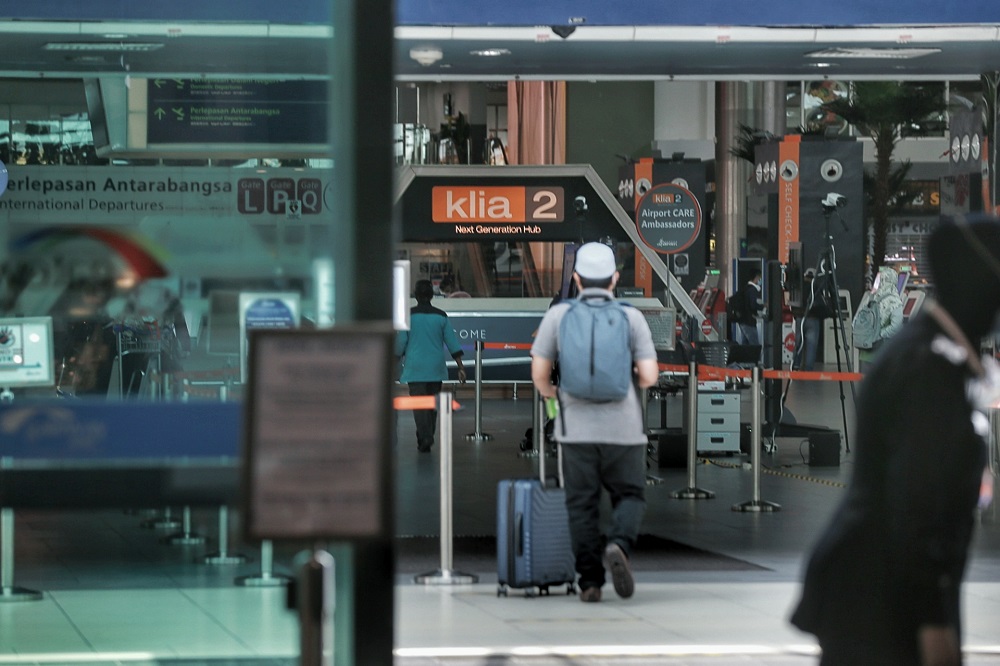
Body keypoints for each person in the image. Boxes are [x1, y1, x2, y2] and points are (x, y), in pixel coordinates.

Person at [790, 217, 1000, 665]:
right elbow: (917, 505)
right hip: (882, 601)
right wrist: (935, 623)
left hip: (878, 590)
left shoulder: (928, 354)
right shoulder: (928, 369)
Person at [530, 242, 659, 603]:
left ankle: (589, 582)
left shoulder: (559, 315)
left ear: (576, 279)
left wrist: (552, 394)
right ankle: (619, 543)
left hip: (576, 431)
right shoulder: (631, 317)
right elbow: (649, 376)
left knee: (581, 505)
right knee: (630, 495)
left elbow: (539, 373)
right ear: (615, 278)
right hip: (625, 429)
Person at [395, 279, 466, 452]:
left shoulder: (409, 316)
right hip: (435, 368)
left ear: (416, 296)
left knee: (419, 405)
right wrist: (460, 367)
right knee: (432, 404)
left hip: (415, 368)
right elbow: (452, 342)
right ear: (432, 295)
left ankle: (425, 437)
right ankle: (428, 436)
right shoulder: (441, 316)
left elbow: (400, 344)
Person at [856, 265, 904, 372]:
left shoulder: (871, 297)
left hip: (866, 351)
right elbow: (896, 326)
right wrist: (880, 334)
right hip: (883, 353)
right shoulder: (894, 301)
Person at [794, 269, 828, 371]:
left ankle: (795, 365)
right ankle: (808, 369)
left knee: (798, 343)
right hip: (813, 319)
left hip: (800, 317)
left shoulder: (798, 287)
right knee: (811, 346)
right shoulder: (816, 287)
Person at [739, 268, 764, 345]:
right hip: (749, 322)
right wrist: (763, 306)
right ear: (756, 278)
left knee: (745, 345)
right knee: (754, 345)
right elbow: (753, 305)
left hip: (742, 321)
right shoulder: (753, 290)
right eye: (760, 278)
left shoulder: (746, 287)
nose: (761, 280)